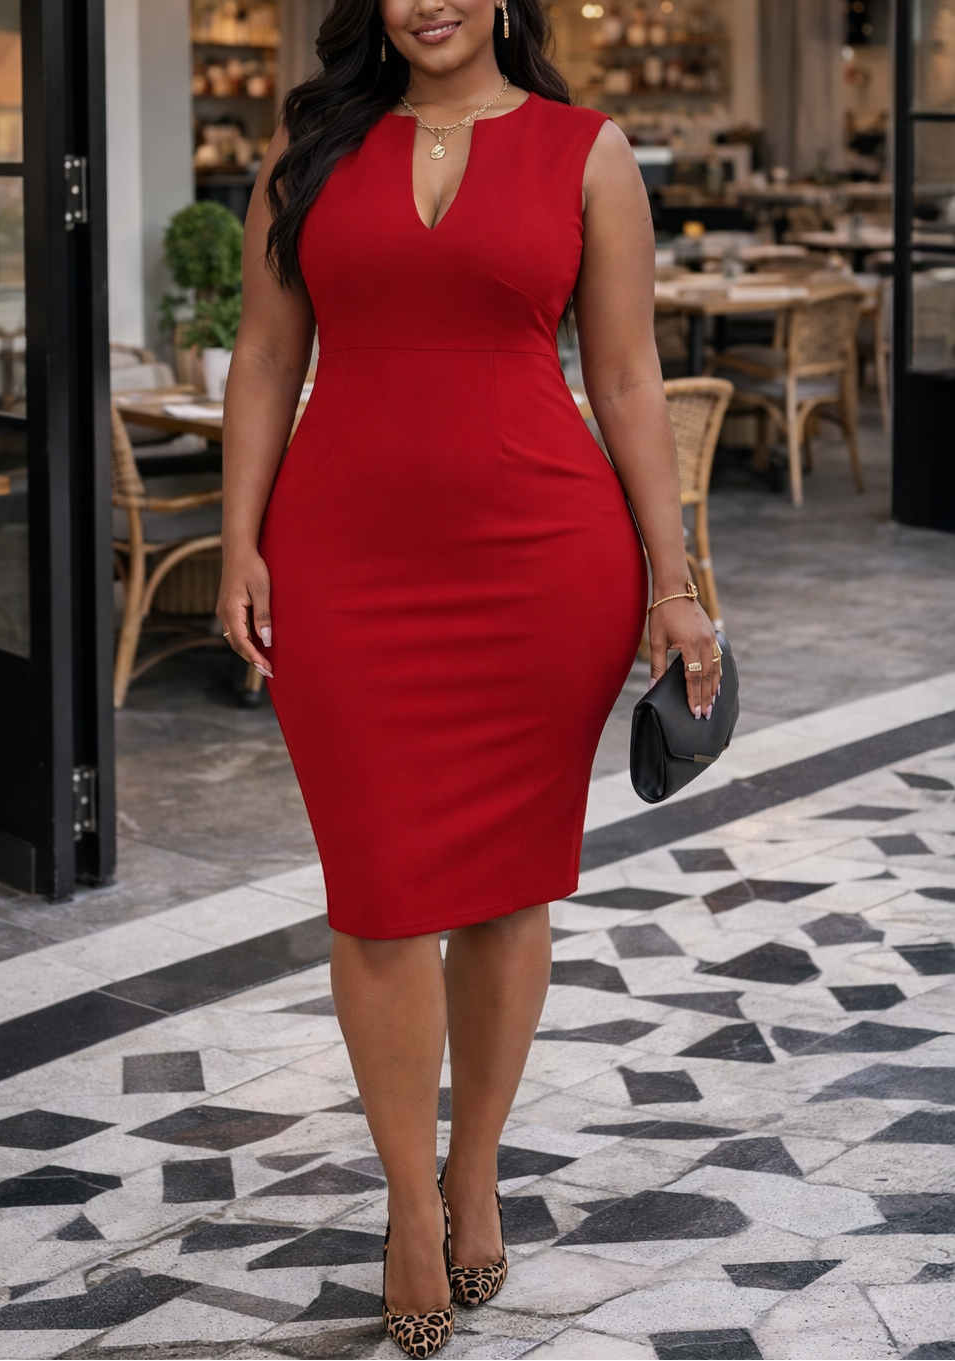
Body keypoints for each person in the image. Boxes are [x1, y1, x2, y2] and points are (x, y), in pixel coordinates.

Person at [217, 1, 718, 1354]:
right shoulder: (311, 146)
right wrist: (238, 543)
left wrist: (674, 583)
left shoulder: (586, 150)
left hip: (541, 565)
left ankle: (475, 1166)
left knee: (503, 889)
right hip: (344, 565)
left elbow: (623, 377)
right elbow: (267, 357)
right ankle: (403, 1199)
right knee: (378, 898)